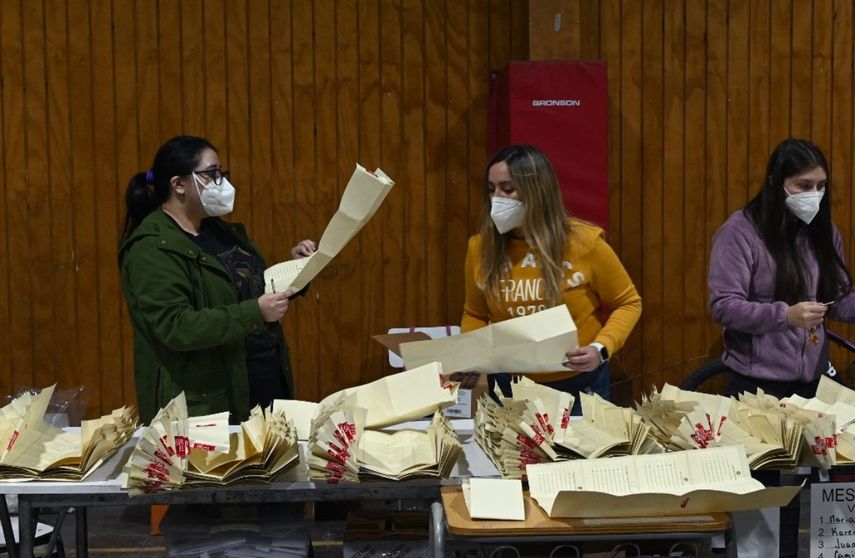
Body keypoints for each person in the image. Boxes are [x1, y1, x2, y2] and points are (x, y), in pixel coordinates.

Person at [119, 136, 316, 424]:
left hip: (261, 377)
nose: (221, 182)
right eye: (211, 174)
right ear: (178, 184)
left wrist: (296, 270)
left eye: (221, 173)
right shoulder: (151, 248)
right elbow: (175, 326)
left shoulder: (220, 231)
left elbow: (247, 287)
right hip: (207, 398)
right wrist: (255, 312)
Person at [454, 144, 642, 413]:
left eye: (508, 189)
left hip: (578, 383)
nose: (497, 198)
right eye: (491, 188)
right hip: (509, 383)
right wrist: (471, 354)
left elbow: (628, 303)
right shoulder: (480, 248)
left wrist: (601, 349)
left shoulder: (584, 242)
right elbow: (474, 313)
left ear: (537, 192)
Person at [709, 138, 855, 399]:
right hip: (756, 383)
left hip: (813, 379)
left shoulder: (825, 231)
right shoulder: (739, 232)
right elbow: (724, 306)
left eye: (821, 186)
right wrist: (786, 316)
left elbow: (838, 300)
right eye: (804, 186)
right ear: (775, 184)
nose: (814, 195)